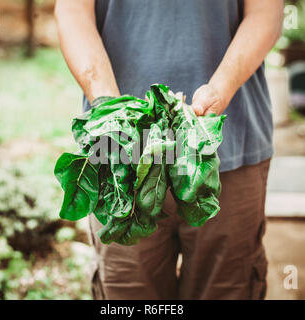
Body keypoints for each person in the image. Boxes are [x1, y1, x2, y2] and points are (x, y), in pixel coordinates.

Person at [55, 0, 284, 300]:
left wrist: (220, 89)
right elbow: (72, 10)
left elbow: (266, 13)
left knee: (227, 289)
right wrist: (110, 108)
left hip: (226, 149)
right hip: (119, 158)